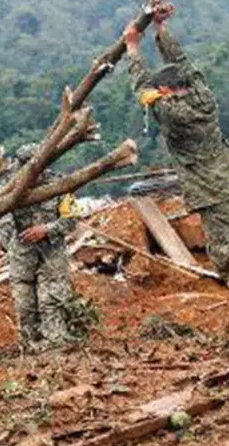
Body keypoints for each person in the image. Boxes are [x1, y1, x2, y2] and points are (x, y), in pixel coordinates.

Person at [124, 1, 229, 282]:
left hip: (211, 189)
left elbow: (141, 86)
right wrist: (160, 28)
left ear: (166, 90)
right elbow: (182, 63)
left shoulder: (172, 112)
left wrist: (132, 47)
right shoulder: (204, 96)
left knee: (224, 250)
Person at [0, 144, 77, 351]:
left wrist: (47, 229)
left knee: (52, 301)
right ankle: (30, 348)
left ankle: (56, 346)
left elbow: (71, 219)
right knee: (24, 305)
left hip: (52, 253)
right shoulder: (10, 186)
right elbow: (5, 219)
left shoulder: (61, 184)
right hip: (22, 255)